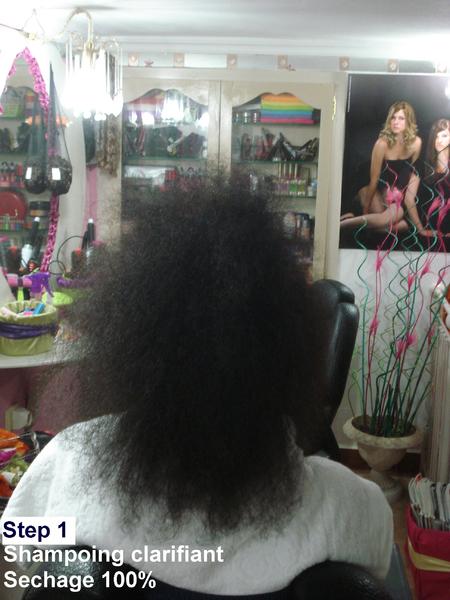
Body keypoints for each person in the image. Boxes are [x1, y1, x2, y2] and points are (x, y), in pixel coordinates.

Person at [2, 175, 393, 594]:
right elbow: (376, 563)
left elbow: (22, 541)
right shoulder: (348, 508)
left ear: (133, 343)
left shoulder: (70, 465)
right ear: (290, 350)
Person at [340, 100, 425, 234]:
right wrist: (366, 210)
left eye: (401, 118)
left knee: (402, 225)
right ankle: (340, 224)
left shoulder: (416, 143)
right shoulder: (382, 144)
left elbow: (410, 172)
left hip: (394, 190)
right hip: (370, 186)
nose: (396, 122)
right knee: (381, 216)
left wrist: (397, 192)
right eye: (393, 118)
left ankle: (353, 220)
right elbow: (374, 180)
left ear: (409, 121)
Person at [420, 118, 450, 238]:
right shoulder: (426, 167)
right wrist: (421, 230)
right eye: (436, 136)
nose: (439, 140)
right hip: (430, 227)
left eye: (444, 135)